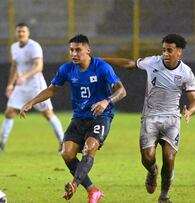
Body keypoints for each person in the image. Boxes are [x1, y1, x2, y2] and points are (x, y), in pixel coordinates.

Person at [20, 34, 126, 203]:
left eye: (78, 50)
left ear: (88, 50)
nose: (74, 53)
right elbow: (52, 89)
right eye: (71, 50)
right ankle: (93, 190)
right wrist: (31, 102)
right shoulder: (67, 69)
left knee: (89, 149)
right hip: (79, 118)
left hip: (100, 117)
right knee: (66, 153)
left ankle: (74, 184)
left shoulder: (102, 67)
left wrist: (107, 101)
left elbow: (122, 91)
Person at [103, 33, 195, 203]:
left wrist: (190, 111)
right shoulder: (152, 62)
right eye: (163, 50)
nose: (166, 54)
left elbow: (194, 101)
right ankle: (153, 171)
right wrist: (101, 60)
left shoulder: (186, 73)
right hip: (150, 117)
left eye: (170, 50)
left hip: (172, 119)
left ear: (179, 52)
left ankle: (164, 197)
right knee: (148, 157)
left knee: (169, 158)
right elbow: (129, 63)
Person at [0, 23, 64, 153]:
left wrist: (24, 76)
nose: (21, 34)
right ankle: (1, 145)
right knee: (9, 112)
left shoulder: (34, 46)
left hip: (36, 86)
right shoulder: (14, 47)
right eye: (18, 31)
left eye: (23, 31)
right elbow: (14, 66)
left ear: (28, 33)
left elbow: (39, 66)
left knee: (48, 114)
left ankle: (63, 143)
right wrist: (10, 84)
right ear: (16, 33)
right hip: (21, 87)